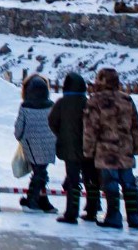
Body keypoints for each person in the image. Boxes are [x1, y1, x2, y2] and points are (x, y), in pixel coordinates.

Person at [84, 67, 138, 230]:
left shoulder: (95, 101)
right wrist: (136, 148)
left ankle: (114, 216)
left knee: (110, 183)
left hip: (105, 149)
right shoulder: (127, 100)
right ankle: (134, 217)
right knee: (129, 184)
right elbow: (135, 126)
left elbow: (90, 128)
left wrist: (88, 150)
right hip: (125, 149)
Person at [49, 71, 100, 224]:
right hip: (88, 147)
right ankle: (92, 210)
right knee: (90, 179)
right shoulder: (88, 102)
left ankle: (71, 213)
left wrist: (62, 134)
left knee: (73, 180)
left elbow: (52, 121)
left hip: (69, 148)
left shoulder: (61, 103)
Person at [14, 74, 58, 213]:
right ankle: (42, 201)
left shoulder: (25, 106)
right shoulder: (51, 105)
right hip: (50, 142)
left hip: (30, 143)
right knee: (41, 171)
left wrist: (20, 137)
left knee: (39, 172)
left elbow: (19, 128)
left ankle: (31, 201)